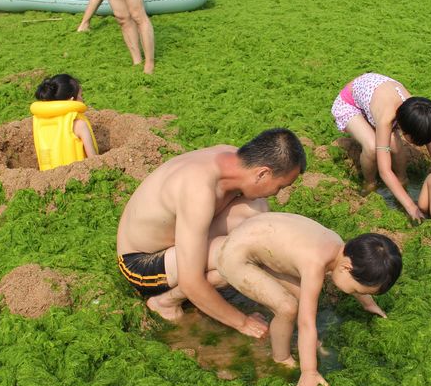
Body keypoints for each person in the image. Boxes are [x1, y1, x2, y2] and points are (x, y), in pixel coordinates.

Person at [116, 128, 306, 337]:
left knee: (257, 211)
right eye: (279, 187)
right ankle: (165, 302)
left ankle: (201, 271)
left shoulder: (233, 158)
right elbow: (191, 283)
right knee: (237, 255)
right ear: (262, 173)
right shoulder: (198, 190)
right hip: (141, 262)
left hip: (176, 239)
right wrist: (242, 322)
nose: (276, 193)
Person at [217, 213, 401, 386]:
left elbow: (355, 276)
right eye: (360, 292)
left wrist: (368, 304)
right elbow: (306, 323)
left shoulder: (340, 247)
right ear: (346, 267)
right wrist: (309, 371)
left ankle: (308, 345)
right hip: (236, 256)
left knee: (302, 295)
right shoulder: (315, 264)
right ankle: (280, 357)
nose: (359, 295)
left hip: (256, 236)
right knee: (287, 307)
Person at [331, 73, 431, 221]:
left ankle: (402, 179)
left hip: (375, 97)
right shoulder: (386, 118)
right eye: (416, 141)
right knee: (372, 147)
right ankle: (369, 182)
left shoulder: (417, 110)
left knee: (396, 147)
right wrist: (411, 207)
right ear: (405, 131)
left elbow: (429, 136)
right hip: (350, 104)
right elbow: (385, 171)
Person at [31, 74, 98, 171]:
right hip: (78, 180)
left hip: (48, 182)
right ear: (71, 100)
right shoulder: (79, 125)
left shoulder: (39, 122)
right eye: (80, 96)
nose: (82, 99)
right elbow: (94, 161)